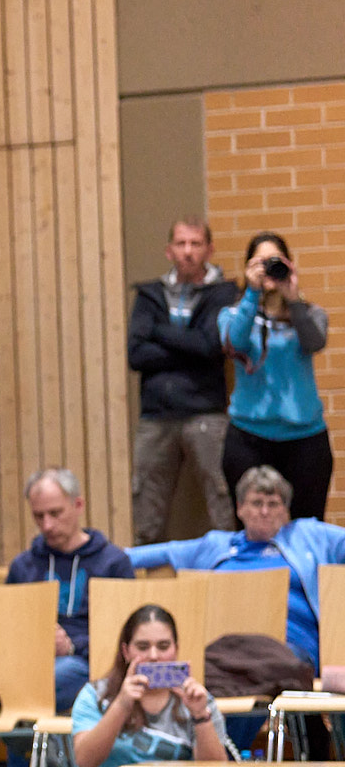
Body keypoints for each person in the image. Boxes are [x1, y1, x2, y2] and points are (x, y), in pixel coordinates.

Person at [129, 465, 345, 670]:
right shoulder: (216, 545)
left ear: (285, 511)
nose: (264, 511)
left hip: (290, 650)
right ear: (240, 508)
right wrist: (106, 553)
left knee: (271, 664)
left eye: (273, 504)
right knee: (199, 666)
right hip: (225, 651)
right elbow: (150, 554)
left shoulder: (308, 535)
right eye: (256, 503)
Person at [128, 217, 239, 541]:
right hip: (156, 416)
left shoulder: (224, 292)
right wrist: (192, 345)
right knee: (147, 508)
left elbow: (211, 347)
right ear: (169, 251)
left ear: (209, 250)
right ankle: (147, 571)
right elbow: (136, 355)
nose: (188, 251)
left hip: (206, 412)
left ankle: (230, 566)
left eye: (195, 244)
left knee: (223, 502)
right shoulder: (150, 295)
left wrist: (159, 332)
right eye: (181, 244)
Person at [63, 604, 227, 767]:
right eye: (142, 647)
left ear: (176, 649)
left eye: (163, 646)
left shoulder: (198, 699)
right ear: (126, 651)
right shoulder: (94, 696)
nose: (154, 656)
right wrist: (121, 704)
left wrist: (200, 716)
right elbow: (86, 761)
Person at [220, 232, 332, 520]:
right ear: (248, 267)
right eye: (261, 262)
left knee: (306, 528)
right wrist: (252, 293)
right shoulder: (232, 314)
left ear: (289, 265)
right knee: (253, 528)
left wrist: (293, 299)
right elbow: (236, 343)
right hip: (249, 437)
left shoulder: (310, 313)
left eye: (275, 261)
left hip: (305, 438)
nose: (269, 269)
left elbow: (314, 342)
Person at [8, 468, 135, 714]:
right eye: (38, 516)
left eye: (55, 513)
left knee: (48, 679)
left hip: (89, 661)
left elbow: (125, 635)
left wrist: (72, 646)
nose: (47, 525)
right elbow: (9, 629)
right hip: (31, 660)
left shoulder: (112, 563)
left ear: (78, 505)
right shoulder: (23, 566)